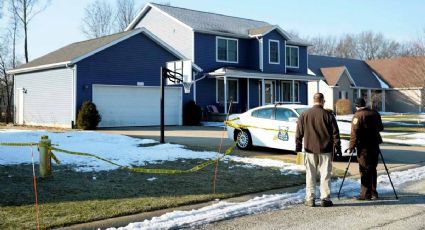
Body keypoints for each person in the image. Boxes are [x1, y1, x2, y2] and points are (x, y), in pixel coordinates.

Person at [296, 93, 341, 207]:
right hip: (325, 149)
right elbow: (335, 133)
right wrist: (338, 147)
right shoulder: (328, 115)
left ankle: (310, 199)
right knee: (325, 174)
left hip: (309, 149)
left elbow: (299, 133)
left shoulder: (304, 114)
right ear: (322, 101)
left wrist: (298, 147)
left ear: (314, 100)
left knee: (310, 174)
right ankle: (325, 198)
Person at [348, 98, 384, 200]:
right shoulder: (375, 113)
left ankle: (365, 194)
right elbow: (381, 128)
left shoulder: (357, 116)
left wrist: (351, 146)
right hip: (375, 144)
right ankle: (373, 192)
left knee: (364, 169)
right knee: (373, 168)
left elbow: (354, 133)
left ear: (357, 106)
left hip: (363, 146)